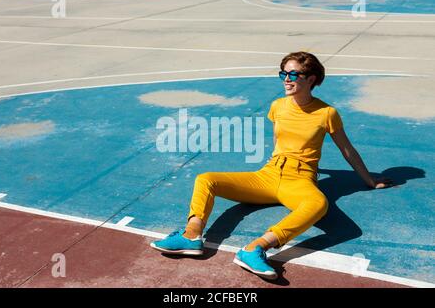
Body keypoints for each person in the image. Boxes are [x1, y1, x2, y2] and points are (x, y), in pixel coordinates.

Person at [150, 51, 393, 280]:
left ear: (311, 79)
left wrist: (369, 180)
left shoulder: (326, 113)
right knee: (206, 179)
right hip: (269, 174)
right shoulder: (277, 106)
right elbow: (280, 140)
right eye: (283, 73)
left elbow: (346, 149)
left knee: (318, 204)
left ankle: (255, 248)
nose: (286, 80)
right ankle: (191, 236)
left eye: (293, 74)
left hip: (299, 180)